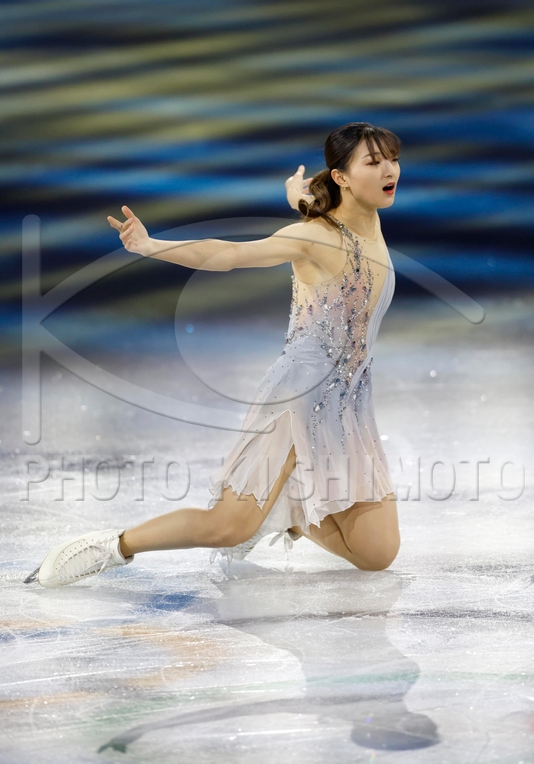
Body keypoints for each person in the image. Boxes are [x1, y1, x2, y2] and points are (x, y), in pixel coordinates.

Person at [23, 122, 402, 589]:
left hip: (348, 401)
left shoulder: (364, 214)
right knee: (228, 527)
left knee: (376, 552)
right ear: (342, 177)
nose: (389, 171)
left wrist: (297, 196)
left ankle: (288, 513)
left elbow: (320, 206)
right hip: (299, 399)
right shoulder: (316, 238)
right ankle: (111, 546)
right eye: (374, 162)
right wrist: (150, 245)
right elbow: (226, 255)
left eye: (392, 159)